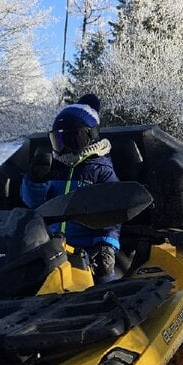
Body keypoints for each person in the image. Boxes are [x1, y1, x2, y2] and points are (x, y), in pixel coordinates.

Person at [21, 95, 120, 283]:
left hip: (88, 251)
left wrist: (105, 245)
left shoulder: (101, 170)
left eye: (73, 139)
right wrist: (35, 180)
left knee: (104, 289)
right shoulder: (53, 167)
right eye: (59, 140)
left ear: (90, 137)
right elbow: (34, 204)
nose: (65, 148)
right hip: (49, 248)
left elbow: (113, 214)